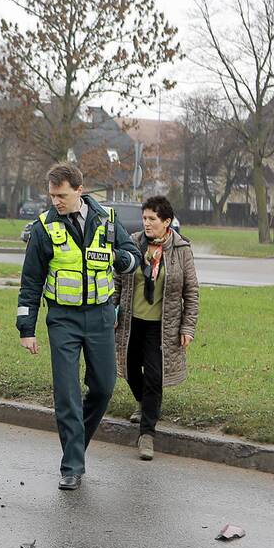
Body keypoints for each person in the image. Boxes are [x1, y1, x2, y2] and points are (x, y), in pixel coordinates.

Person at [17, 163, 140, 490]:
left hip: (100, 318)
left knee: (103, 387)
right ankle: (72, 465)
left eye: (62, 195)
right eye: (52, 195)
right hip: (63, 320)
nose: (55, 201)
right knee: (68, 393)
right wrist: (26, 328)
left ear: (79, 190)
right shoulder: (44, 228)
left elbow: (131, 254)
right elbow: (30, 282)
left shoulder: (108, 222)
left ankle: (76, 440)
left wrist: (121, 260)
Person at [114, 196, 199, 461]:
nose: (147, 223)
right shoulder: (134, 242)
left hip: (161, 327)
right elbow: (117, 278)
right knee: (127, 367)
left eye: (152, 219)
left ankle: (147, 434)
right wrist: (112, 310)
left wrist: (188, 327)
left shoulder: (181, 249)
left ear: (166, 222)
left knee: (154, 375)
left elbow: (191, 291)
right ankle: (142, 402)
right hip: (130, 321)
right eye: (145, 218)